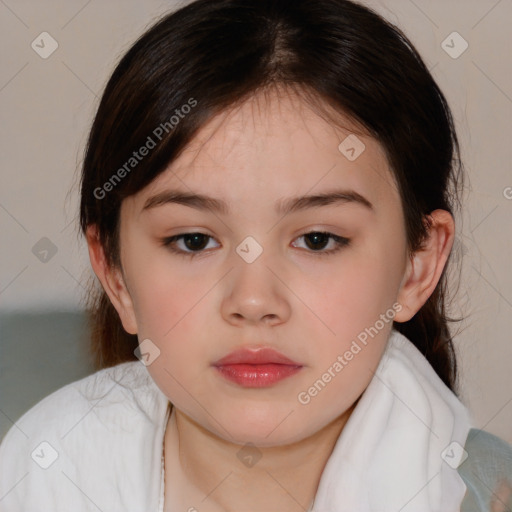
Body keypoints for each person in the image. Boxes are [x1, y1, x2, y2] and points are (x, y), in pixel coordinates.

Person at [0, 0, 511, 510]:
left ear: (416, 267)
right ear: (115, 274)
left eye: (317, 240)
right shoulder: (43, 471)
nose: (253, 300)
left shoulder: (484, 493)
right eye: (194, 241)